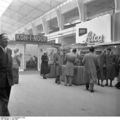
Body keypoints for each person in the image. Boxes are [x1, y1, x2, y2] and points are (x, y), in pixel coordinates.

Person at [0, 33, 13, 116]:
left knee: (6, 99)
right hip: (0, 80)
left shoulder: (9, 51)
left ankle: (2, 113)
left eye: (7, 39)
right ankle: (6, 116)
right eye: (4, 38)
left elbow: (10, 65)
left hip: (8, 80)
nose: (6, 40)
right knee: (4, 99)